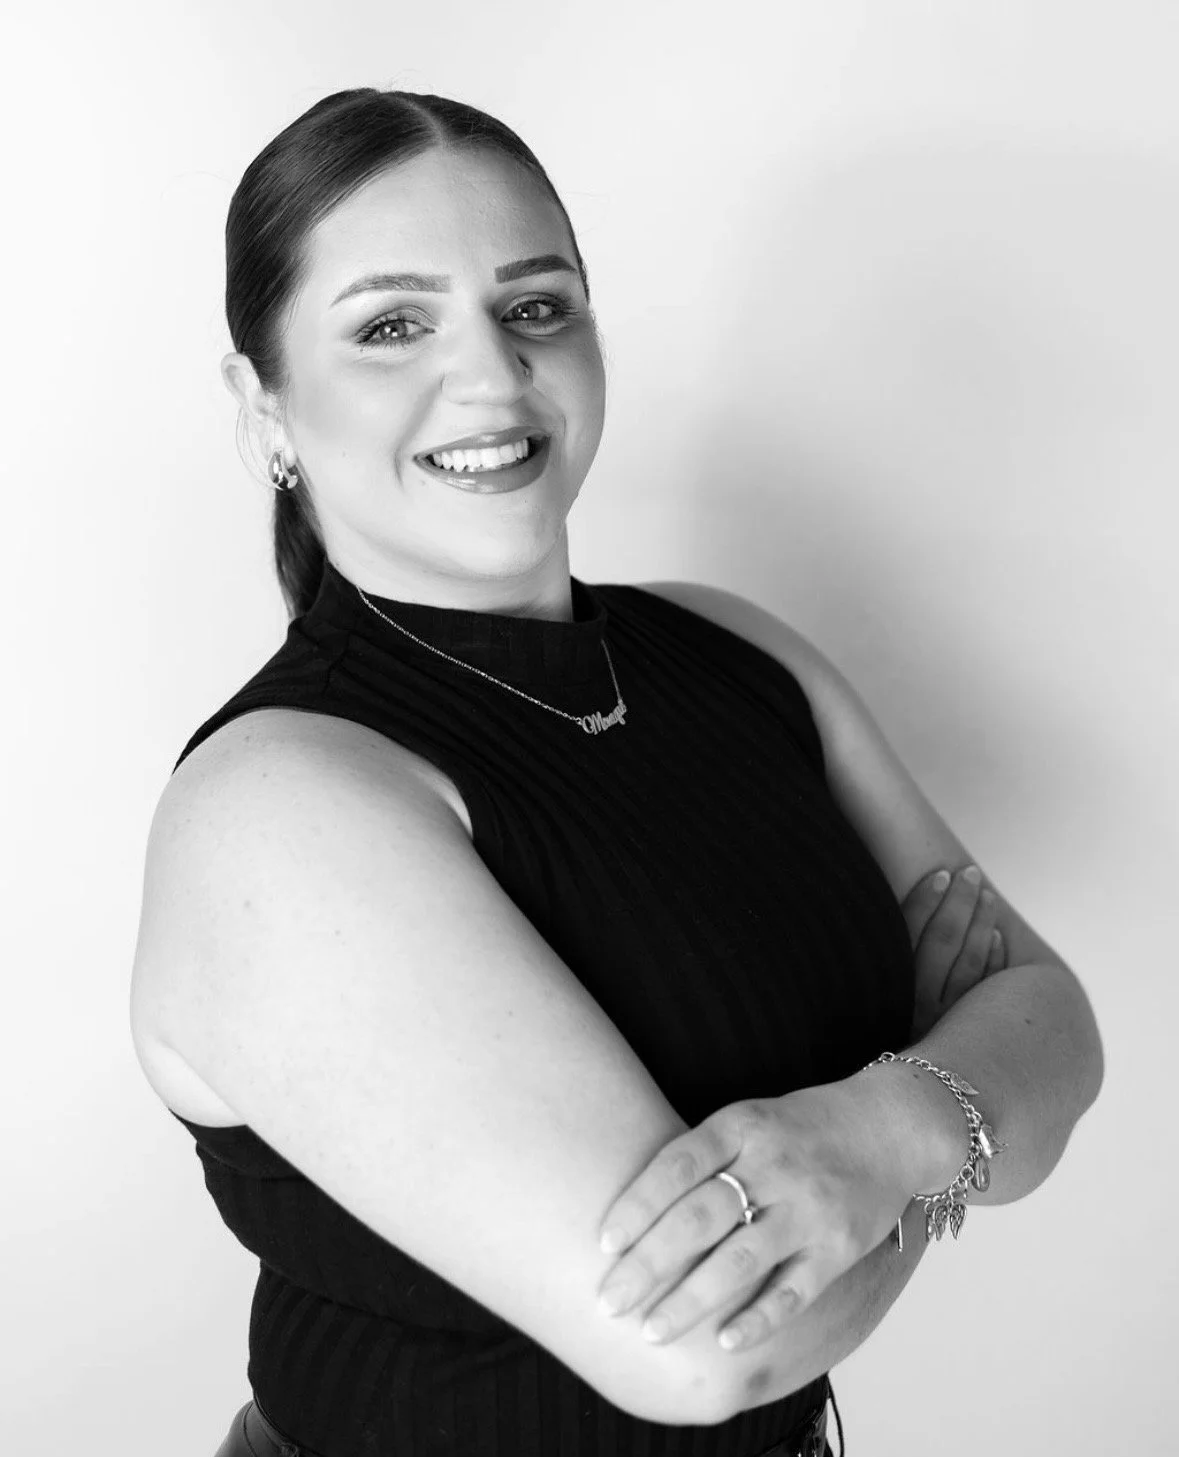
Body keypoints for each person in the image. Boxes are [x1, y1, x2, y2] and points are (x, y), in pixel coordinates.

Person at [129, 88, 1104, 1457]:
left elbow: (1054, 1018)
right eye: (391, 325)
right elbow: (709, 1352)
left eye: (536, 306)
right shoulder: (281, 804)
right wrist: (949, 1139)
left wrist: (878, 1138)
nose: (490, 377)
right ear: (265, 402)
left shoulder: (731, 652)